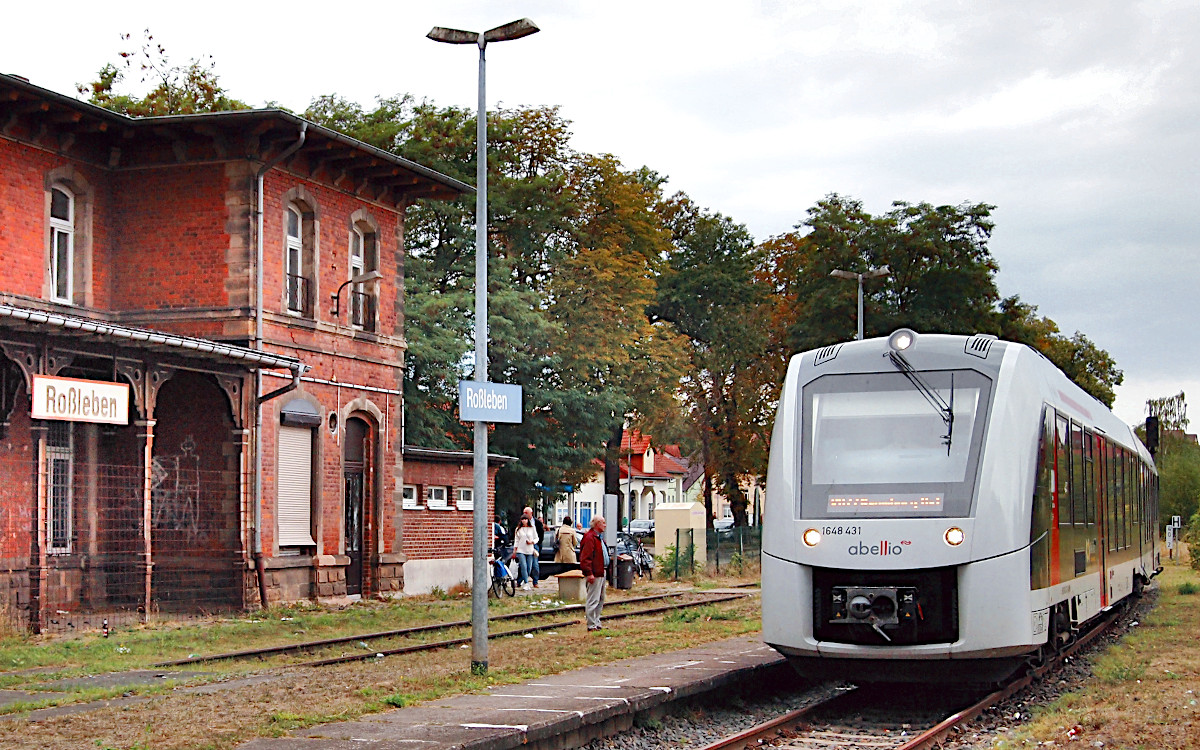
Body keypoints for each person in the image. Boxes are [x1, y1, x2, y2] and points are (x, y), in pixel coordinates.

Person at [579, 515, 609, 631]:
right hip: (595, 573)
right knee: (593, 599)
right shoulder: (590, 538)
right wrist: (589, 573)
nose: (605, 525)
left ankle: (597, 621)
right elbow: (586, 557)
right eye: (603, 523)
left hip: (601, 571)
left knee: (600, 598)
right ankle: (591, 624)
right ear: (597, 524)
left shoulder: (598, 538)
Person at [513, 516, 540, 590]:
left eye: (525, 519)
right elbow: (516, 540)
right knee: (523, 566)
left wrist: (532, 542)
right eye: (523, 519)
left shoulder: (532, 528)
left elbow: (536, 538)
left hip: (530, 550)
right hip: (520, 550)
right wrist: (515, 550)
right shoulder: (518, 529)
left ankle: (523, 579)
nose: (524, 521)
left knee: (529, 568)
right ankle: (526, 582)